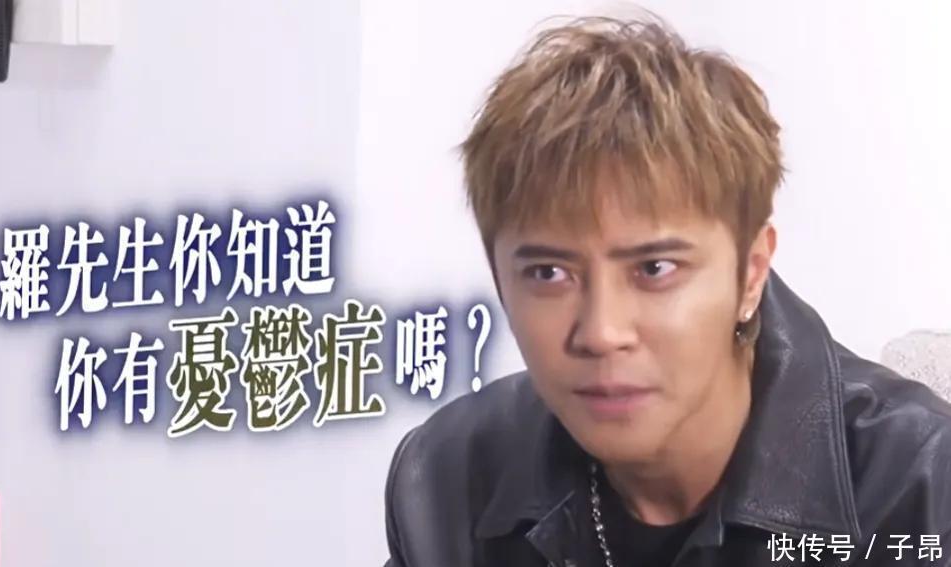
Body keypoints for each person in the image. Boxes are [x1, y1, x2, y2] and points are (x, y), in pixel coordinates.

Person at [382, 15, 951, 567]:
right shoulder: (447, 482)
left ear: (751, 272)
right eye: (549, 274)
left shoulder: (919, 489)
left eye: (654, 269)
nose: (601, 333)